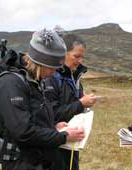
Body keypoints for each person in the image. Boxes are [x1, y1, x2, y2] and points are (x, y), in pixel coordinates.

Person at [0, 28, 85, 170]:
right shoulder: (10, 83)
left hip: (39, 160)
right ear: (40, 62)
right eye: (52, 67)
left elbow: (35, 119)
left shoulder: (35, 81)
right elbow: (23, 131)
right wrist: (63, 137)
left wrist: (53, 127)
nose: (54, 72)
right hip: (21, 163)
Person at [44, 33, 97, 170]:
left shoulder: (75, 77)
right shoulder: (51, 77)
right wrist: (80, 103)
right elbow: (51, 114)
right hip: (55, 145)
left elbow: (74, 106)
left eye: (82, 56)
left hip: (71, 143)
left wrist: (85, 105)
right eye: (76, 56)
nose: (80, 60)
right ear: (63, 54)